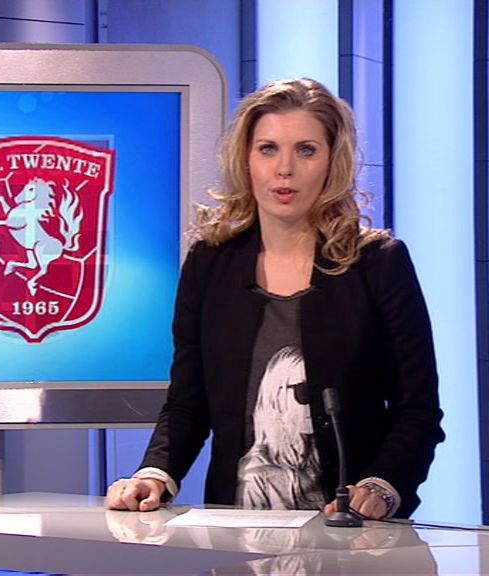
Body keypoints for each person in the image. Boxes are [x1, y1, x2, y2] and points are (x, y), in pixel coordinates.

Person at [105, 78, 444, 520]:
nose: (285, 169)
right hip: (236, 531)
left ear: (332, 161)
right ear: (245, 159)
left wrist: (382, 485)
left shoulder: (379, 264)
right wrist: (155, 474)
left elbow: (417, 412)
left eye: (306, 150)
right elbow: (188, 402)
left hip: (356, 535)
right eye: (268, 149)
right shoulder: (210, 263)